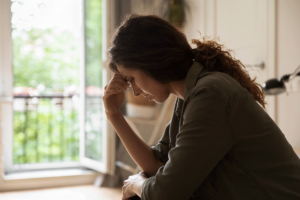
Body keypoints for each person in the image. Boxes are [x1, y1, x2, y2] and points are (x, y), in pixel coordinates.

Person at [103, 14, 300, 200]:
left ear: (150, 62)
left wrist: (136, 184)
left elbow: (165, 193)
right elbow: (157, 164)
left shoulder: (210, 95)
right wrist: (114, 114)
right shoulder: (189, 96)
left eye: (132, 80)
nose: (135, 91)